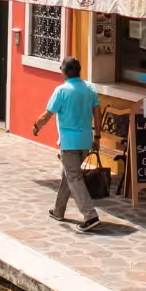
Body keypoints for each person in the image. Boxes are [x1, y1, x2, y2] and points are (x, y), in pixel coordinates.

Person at [33, 56, 102, 232]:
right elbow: (98, 113)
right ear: (78, 71)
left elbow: (47, 114)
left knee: (74, 177)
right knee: (69, 174)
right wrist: (98, 137)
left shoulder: (61, 91)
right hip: (85, 141)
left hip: (69, 143)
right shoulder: (90, 89)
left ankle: (90, 215)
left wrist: (36, 126)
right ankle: (58, 210)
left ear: (64, 72)